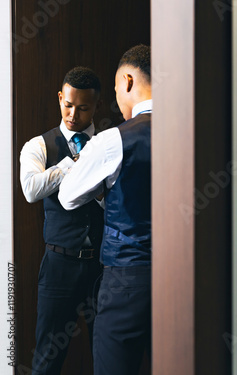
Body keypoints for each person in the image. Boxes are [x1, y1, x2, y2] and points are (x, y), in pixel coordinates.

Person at [58, 45, 152, 375]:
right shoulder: (193, 131)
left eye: (115, 90)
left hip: (127, 277)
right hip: (184, 276)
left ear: (127, 80)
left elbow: (68, 196)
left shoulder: (113, 140)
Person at [19, 66, 104, 374]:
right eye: (68, 105)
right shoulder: (38, 145)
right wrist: (73, 164)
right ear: (60, 98)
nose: (73, 114)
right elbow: (30, 189)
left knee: (107, 357)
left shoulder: (108, 145)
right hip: (58, 266)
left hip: (102, 267)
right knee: (46, 359)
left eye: (82, 108)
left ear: (96, 105)